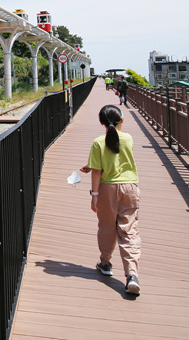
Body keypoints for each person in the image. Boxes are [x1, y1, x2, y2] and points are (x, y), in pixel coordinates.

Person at [80, 104, 141, 295]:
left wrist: (94, 196)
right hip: (130, 188)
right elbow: (118, 156)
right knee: (129, 230)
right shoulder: (128, 138)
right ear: (122, 119)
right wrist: (91, 165)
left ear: (101, 122)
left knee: (106, 227)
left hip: (107, 188)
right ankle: (132, 274)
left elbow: (99, 170)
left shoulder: (98, 142)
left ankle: (105, 263)